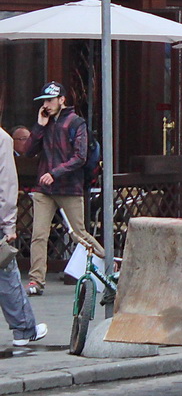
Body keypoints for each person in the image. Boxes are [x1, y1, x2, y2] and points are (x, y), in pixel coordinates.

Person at [23, 81, 104, 297]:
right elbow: (28, 151)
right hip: (44, 189)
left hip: (69, 186)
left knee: (79, 233)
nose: (46, 105)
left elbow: (80, 157)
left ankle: (108, 262)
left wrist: (55, 173)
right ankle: (36, 280)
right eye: (44, 101)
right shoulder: (46, 122)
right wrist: (39, 125)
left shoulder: (76, 123)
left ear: (62, 100)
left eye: (50, 100)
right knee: (39, 234)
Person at [0, 124, 47, 345]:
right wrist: (9, 224)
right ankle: (24, 329)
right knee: (6, 274)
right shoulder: (2, 139)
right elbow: (7, 185)